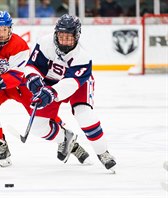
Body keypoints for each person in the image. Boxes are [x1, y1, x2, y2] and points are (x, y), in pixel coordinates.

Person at [0, 11, 89, 167]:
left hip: (20, 87)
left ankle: (71, 143)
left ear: (10, 29)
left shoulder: (19, 45)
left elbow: (18, 75)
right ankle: (1, 147)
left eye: (4, 29)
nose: (1, 33)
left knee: (43, 113)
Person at [24, 14, 117, 171]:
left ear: (77, 35)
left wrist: (50, 93)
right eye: (61, 36)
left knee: (84, 114)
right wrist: (33, 79)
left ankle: (103, 152)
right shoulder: (44, 43)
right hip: (50, 83)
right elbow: (32, 66)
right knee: (38, 127)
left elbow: (70, 84)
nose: (64, 41)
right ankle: (65, 138)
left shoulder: (83, 57)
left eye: (69, 37)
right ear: (56, 34)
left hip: (78, 84)